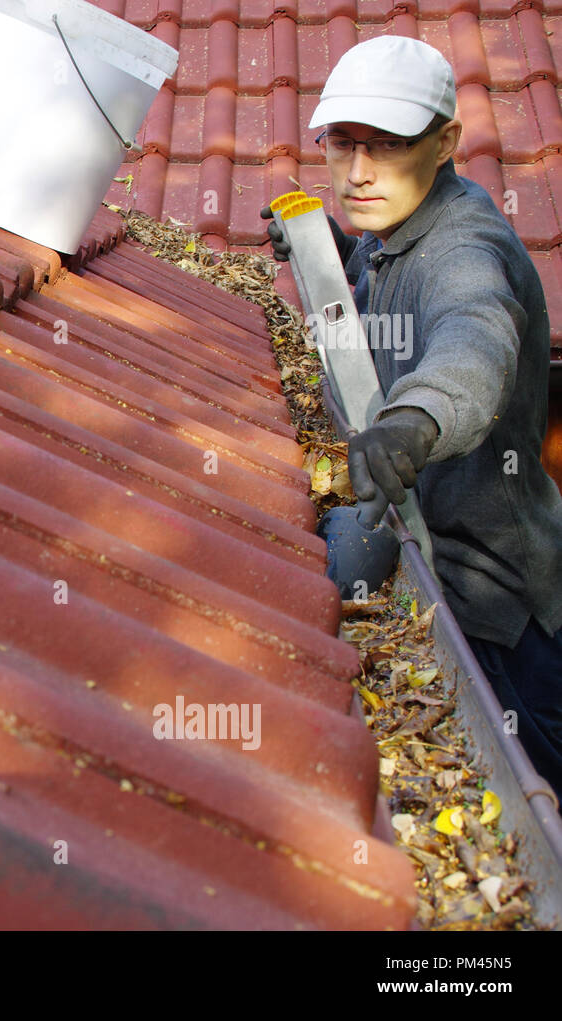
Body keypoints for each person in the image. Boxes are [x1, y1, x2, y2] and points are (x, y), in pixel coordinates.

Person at [261, 35, 562, 801]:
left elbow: (475, 337)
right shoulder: (392, 225)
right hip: (433, 556)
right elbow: (375, 293)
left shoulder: (463, 247)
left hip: (497, 605)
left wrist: (413, 422)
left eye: (389, 146)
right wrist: (328, 253)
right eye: (342, 145)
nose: (358, 173)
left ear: (446, 143)